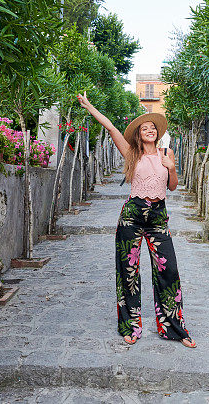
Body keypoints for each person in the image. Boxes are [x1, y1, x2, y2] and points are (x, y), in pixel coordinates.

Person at [77, 92, 196, 348]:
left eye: (153, 127)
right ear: (139, 134)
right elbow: (110, 127)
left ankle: (173, 328)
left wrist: (172, 168)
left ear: (157, 132)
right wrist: (89, 106)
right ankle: (130, 326)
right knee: (128, 273)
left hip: (158, 216)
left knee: (169, 270)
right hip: (132, 215)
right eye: (145, 128)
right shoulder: (131, 152)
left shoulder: (167, 152)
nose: (150, 130)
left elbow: (173, 187)